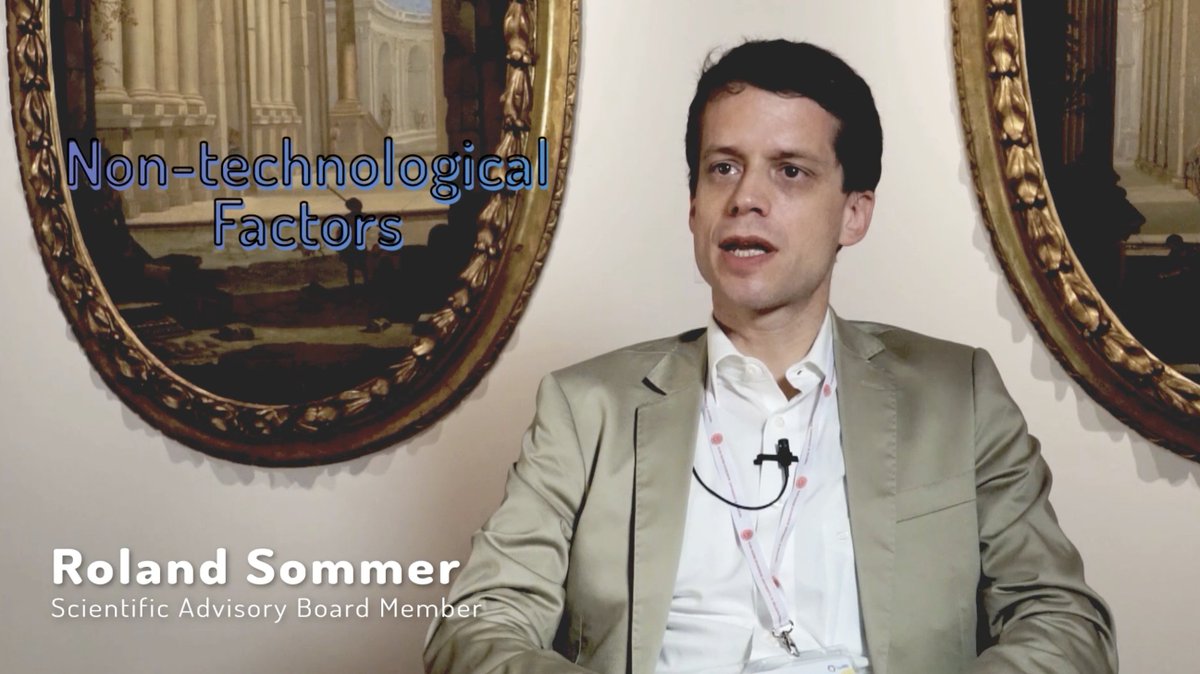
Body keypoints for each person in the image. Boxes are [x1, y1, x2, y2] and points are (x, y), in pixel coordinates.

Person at [424, 40, 1117, 674]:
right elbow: (476, 627)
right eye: (722, 168)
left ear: (854, 213)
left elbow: (1065, 624)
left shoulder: (958, 394)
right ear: (693, 206)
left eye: (790, 171)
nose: (745, 199)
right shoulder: (585, 409)